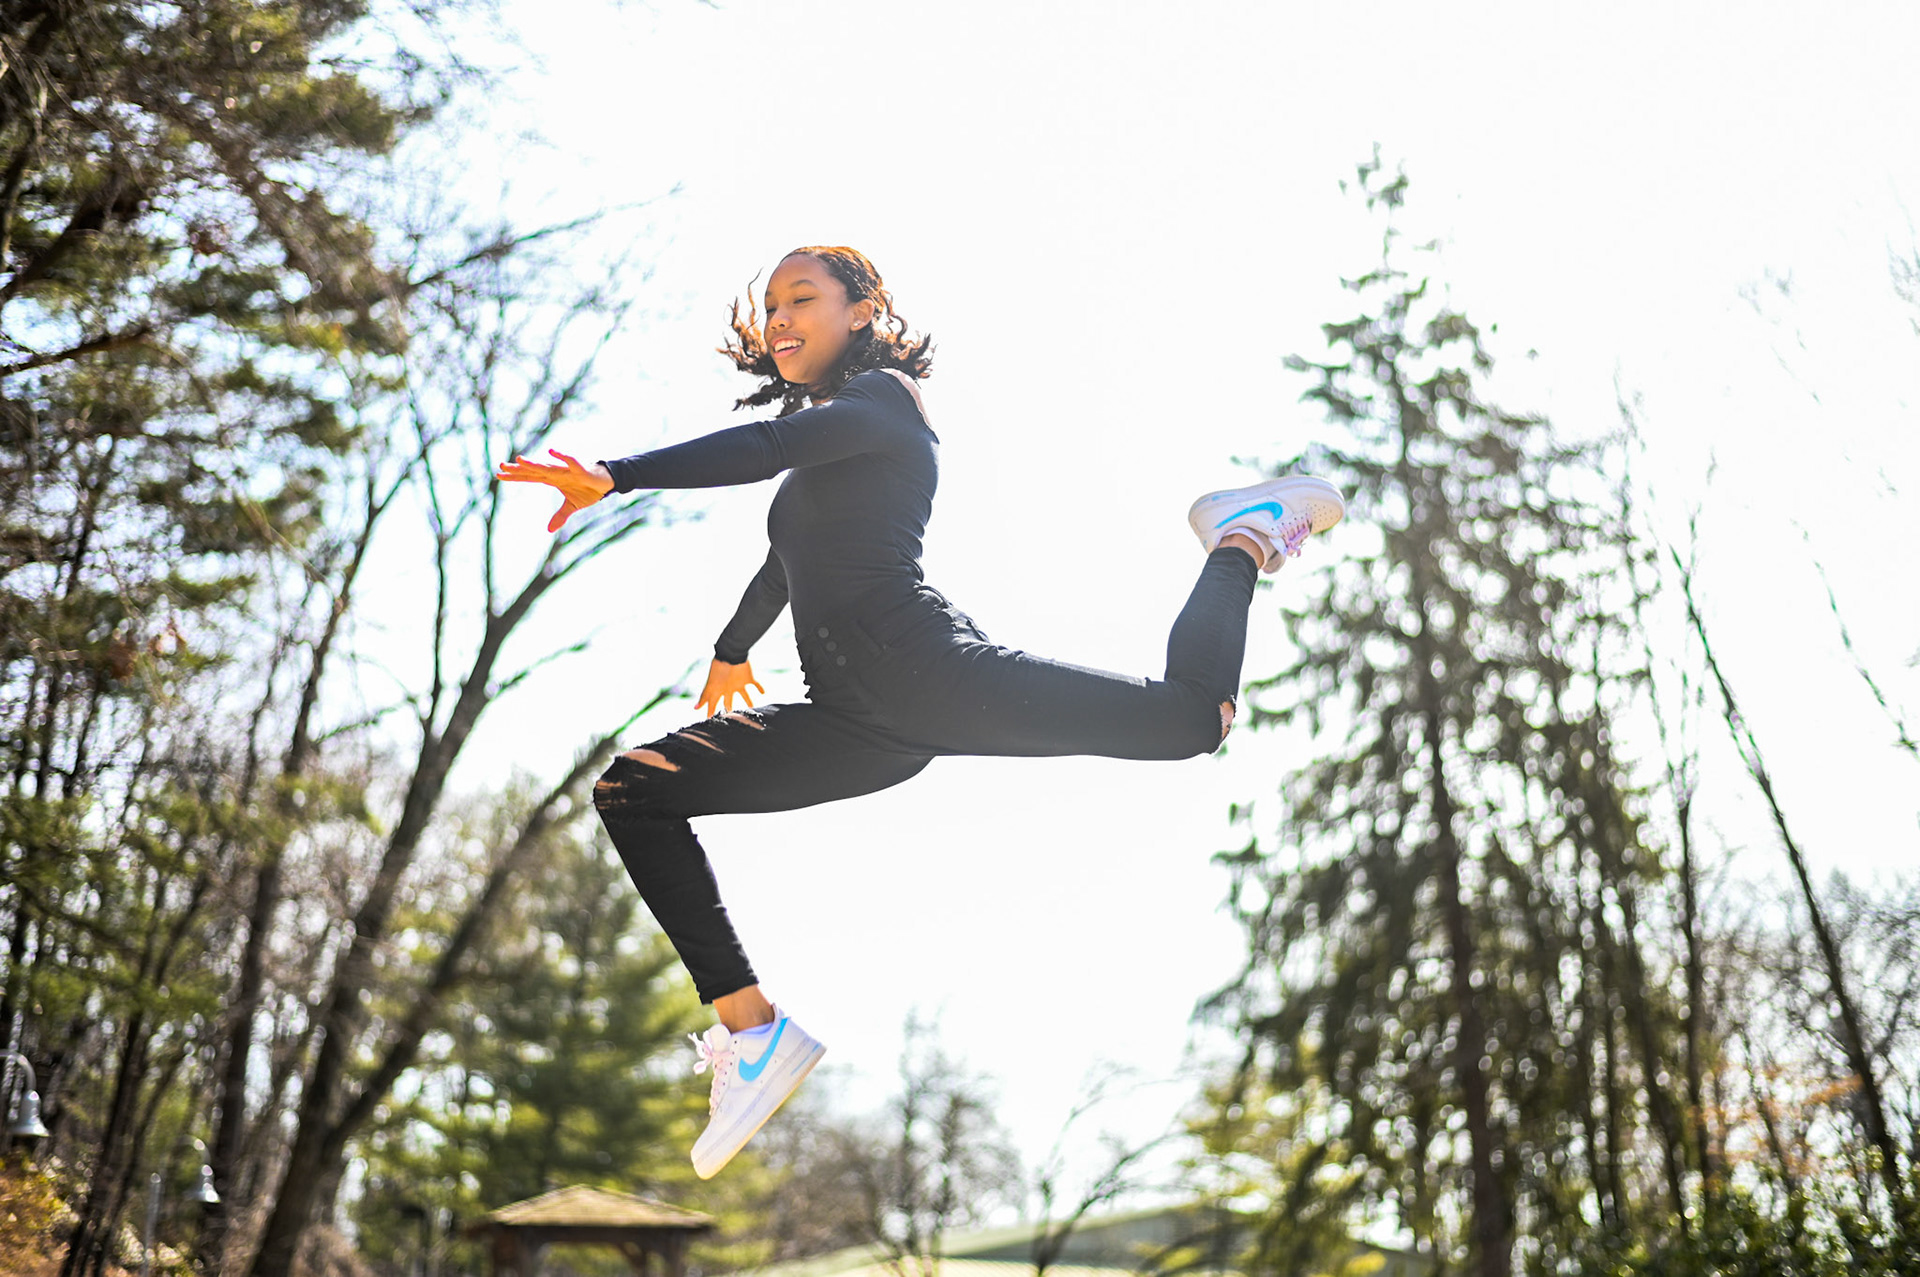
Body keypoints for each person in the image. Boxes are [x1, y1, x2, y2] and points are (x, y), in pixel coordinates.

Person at [496, 245, 1345, 1178]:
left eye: (802, 298)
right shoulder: (827, 452)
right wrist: (733, 649)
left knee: (1188, 723)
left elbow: (764, 448)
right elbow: (784, 565)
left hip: (922, 672)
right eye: (771, 305)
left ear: (861, 311)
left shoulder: (886, 402)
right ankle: (753, 1033)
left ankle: (1241, 536)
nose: (779, 318)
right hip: (857, 722)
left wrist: (615, 473)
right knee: (633, 791)